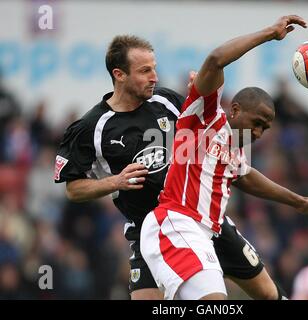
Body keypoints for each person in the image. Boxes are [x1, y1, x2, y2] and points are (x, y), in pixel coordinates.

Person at [54, 34, 287, 300]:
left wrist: (199, 95)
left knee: (268, 294)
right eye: (145, 71)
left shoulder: (166, 101)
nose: (154, 76)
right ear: (119, 74)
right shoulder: (91, 127)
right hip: (148, 229)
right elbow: (73, 189)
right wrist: (114, 182)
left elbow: (213, 140)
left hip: (199, 218)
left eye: (154, 68)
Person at [140, 15, 308, 300]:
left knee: (270, 294)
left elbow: (245, 176)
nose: (259, 132)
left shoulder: (237, 143)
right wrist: (269, 33)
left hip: (211, 231)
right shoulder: (204, 115)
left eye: (265, 128)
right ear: (235, 109)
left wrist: (301, 201)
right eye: (257, 122)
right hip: (177, 222)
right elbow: (216, 59)